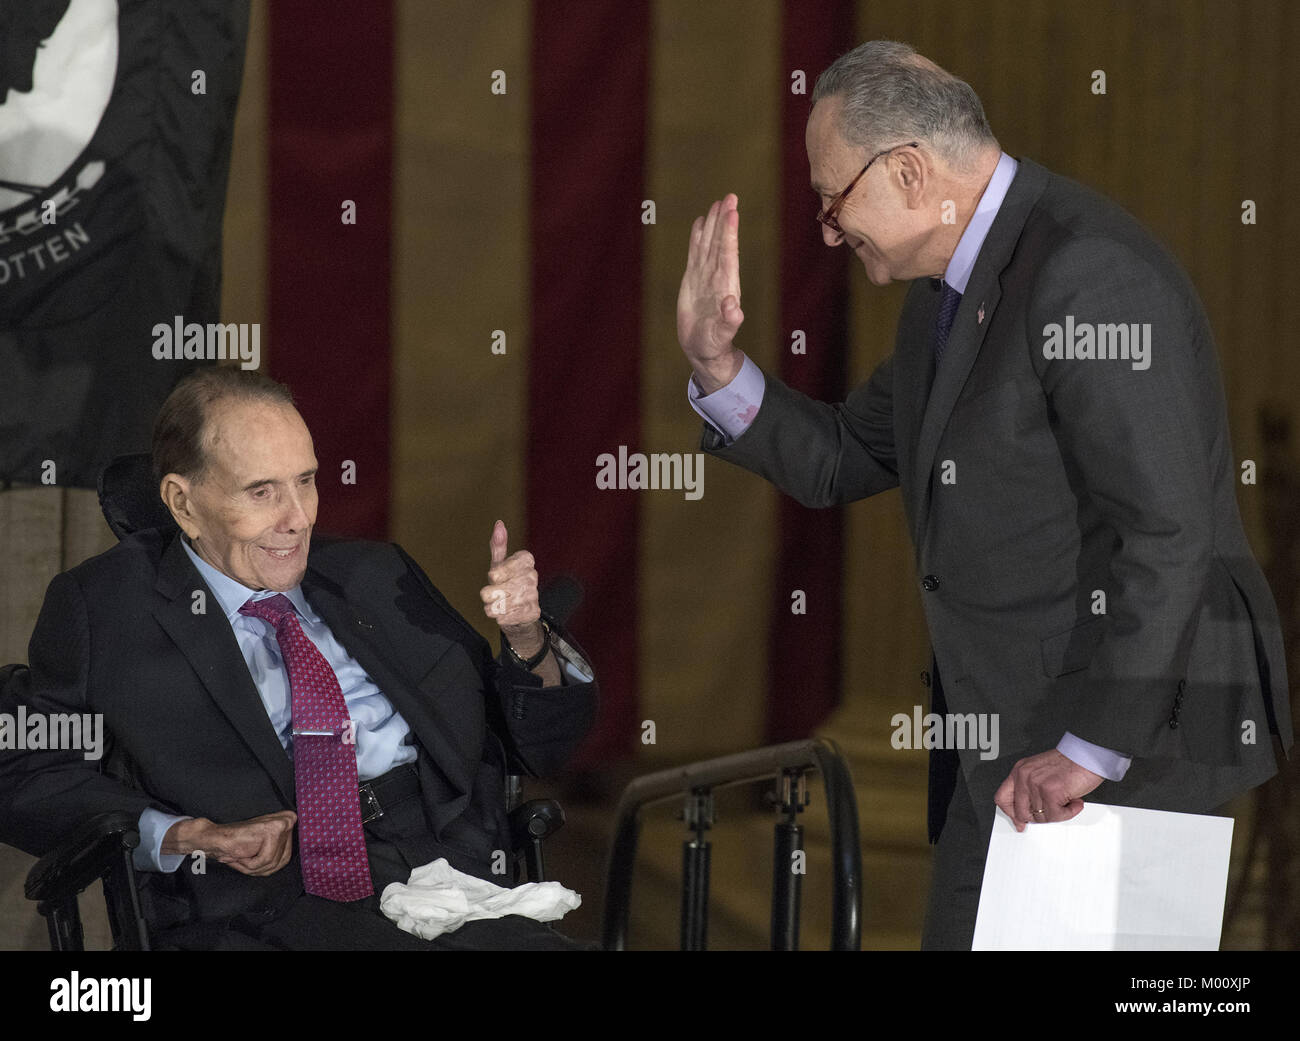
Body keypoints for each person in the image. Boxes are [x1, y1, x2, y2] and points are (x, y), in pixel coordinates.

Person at [676, 40, 1292, 949]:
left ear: (912, 170)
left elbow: (1168, 535)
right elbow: (846, 451)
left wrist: (1089, 750)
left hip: (1120, 752)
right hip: (1008, 758)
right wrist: (715, 365)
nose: (825, 227)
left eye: (832, 196)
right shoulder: (946, 292)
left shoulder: (1089, 274)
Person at [0, 366, 598, 950]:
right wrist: (182, 834)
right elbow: (19, 768)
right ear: (182, 503)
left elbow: (534, 744)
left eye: (305, 482)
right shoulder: (105, 608)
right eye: (262, 492)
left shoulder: (376, 577)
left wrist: (525, 637)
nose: (297, 519)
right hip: (267, 901)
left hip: (447, 868)